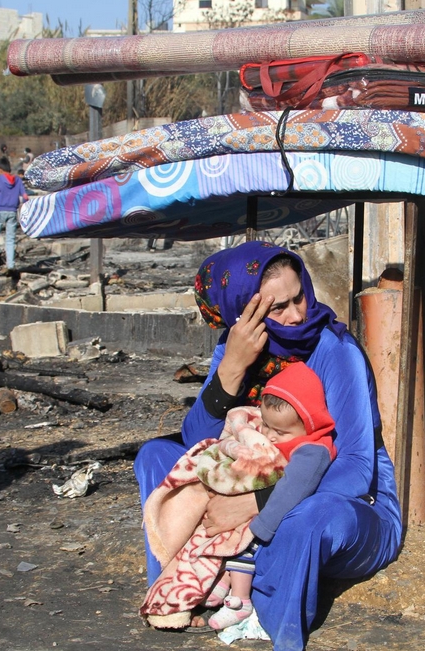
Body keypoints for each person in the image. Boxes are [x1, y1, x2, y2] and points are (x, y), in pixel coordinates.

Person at [133, 242, 402, 651]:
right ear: (244, 312)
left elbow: (356, 468)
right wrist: (232, 369)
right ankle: (178, 589)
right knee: (155, 454)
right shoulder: (236, 346)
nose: (298, 315)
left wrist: (260, 503)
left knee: (309, 517)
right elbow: (195, 438)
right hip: (255, 484)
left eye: (300, 297)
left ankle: (270, 618)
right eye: (278, 308)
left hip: (348, 508)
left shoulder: (334, 349)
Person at [204, 361, 337, 631]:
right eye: (266, 426)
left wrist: (261, 527)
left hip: (270, 516)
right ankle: (223, 577)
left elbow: (293, 488)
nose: (270, 436)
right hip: (254, 500)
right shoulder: (279, 433)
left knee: (245, 545)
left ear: (309, 424)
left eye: (280, 432)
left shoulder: (312, 449)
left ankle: (240, 601)